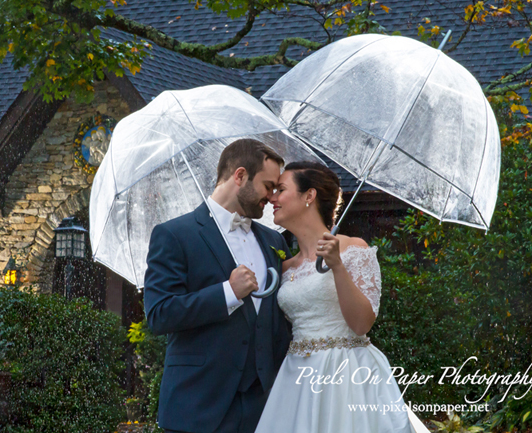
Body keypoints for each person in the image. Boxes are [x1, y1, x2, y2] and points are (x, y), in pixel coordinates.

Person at [254, 161, 430, 433]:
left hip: (346, 375)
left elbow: (361, 324)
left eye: (280, 189)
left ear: (309, 196)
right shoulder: (285, 267)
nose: (272, 197)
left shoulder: (353, 249)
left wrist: (336, 265)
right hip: (296, 379)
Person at [143, 139, 294, 433]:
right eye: (268, 185)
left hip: (263, 411)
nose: (272, 196)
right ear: (239, 176)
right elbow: (160, 314)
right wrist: (228, 292)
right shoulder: (174, 235)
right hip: (197, 407)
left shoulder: (274, 241)